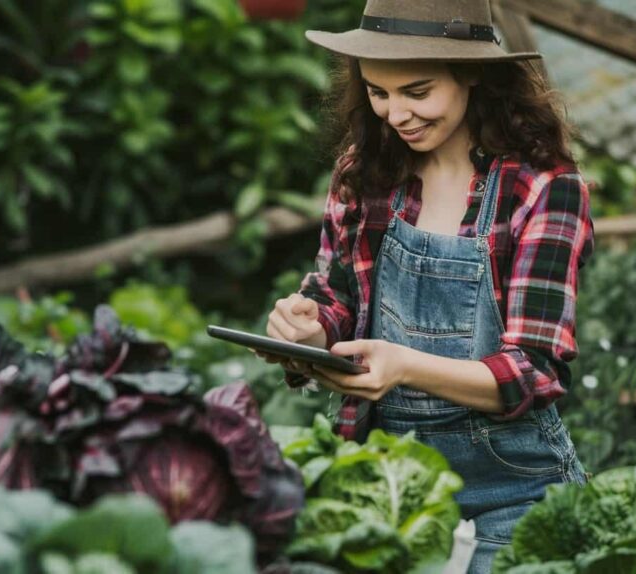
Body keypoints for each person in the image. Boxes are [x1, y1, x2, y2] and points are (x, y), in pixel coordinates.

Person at [255, 0, 595, 571]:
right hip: (391, 479)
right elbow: (337, 297)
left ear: (471, 71)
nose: (396, 114)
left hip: (513, 489)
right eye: (378, 93)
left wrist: (405, 366)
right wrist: (307, 331)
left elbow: (534, 372)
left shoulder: (543, 187)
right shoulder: (365, 171)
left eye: (417, 91)